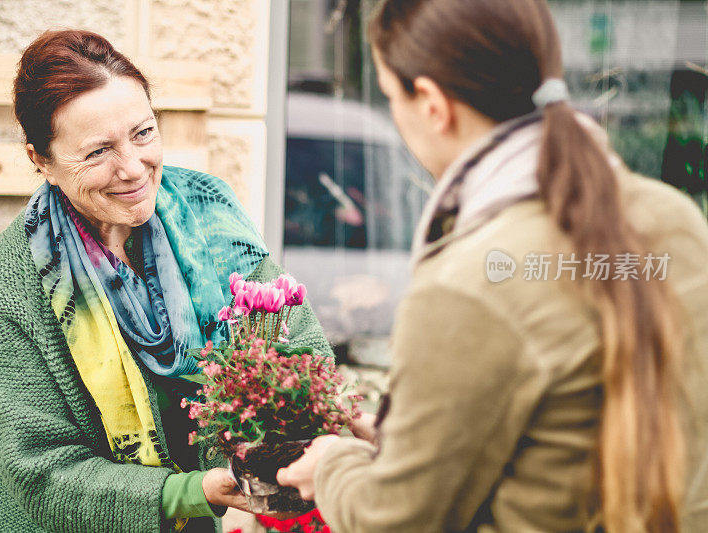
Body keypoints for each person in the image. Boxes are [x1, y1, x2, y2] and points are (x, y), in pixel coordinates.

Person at [276, 1, 708, 531]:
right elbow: (570, 434)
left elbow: (394, 520)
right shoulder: (677, 221)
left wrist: (334, 465)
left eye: (391, 98)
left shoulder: (467, 283)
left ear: (433, 104)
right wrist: (404, 442)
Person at [0, 29, 331, 533]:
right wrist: (188, 492)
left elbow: (299, 348)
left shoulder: (209, 211)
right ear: (40, 160)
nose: (133, 169)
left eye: (143, 133)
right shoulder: (4, 287)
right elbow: (39, 472)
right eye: (97, 152)